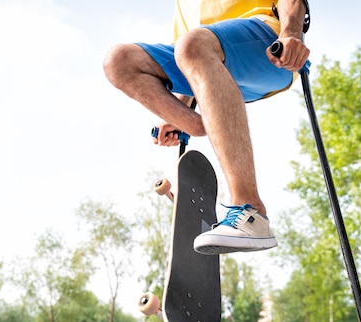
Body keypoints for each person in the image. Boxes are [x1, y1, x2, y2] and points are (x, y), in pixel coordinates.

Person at [103, 0, 311, 254]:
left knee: (193, 44)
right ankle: (204, 123)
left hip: (267, 45)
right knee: (120, 61)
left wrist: (291, 33)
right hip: (208, 58)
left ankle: (250, 211)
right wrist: (180, 113)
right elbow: (187, 60)